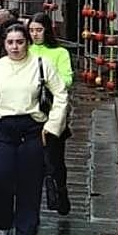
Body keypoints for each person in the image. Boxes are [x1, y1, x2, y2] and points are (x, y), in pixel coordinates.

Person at [0, 23, 69, 235]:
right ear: (4, 44)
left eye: (20, 42)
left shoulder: (41, 65)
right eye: (10, 42)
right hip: (2, 127)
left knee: (29, 183)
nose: (15, 47)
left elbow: (61, 93)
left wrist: (52, 126)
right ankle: (3, 221)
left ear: (27, 42)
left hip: (31, 128)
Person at [28, 12, 73, 214]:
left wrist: (46, 79)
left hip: (53, 110)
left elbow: (67, 79)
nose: (35, 34)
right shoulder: (26, 50)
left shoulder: (59, 53)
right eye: (31, 30)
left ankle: (60, 190)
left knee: (55, 158)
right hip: (30, 111)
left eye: (38, 30)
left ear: (47, 30)